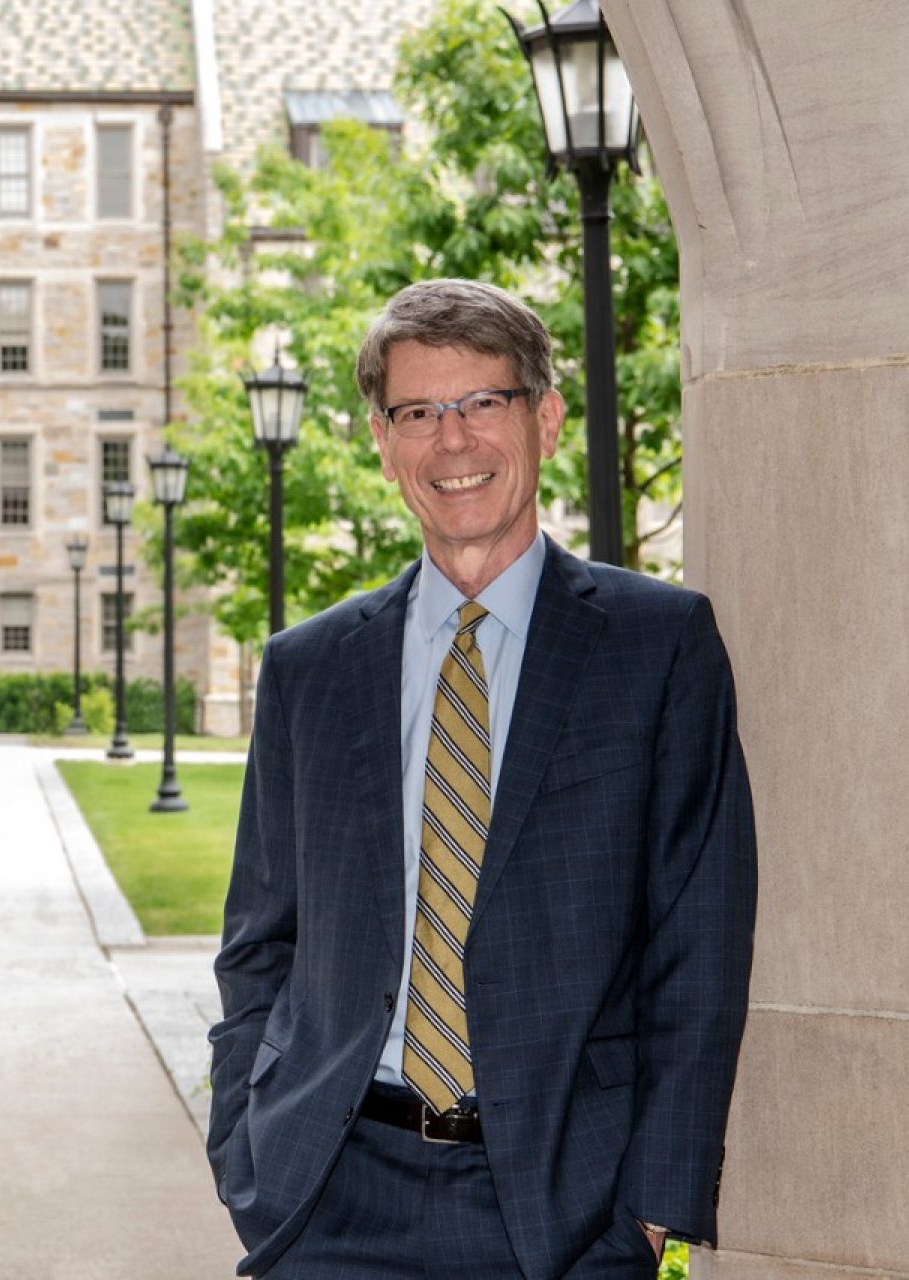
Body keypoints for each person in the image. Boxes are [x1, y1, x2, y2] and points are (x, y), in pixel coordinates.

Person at [207, 279, 757, 1279]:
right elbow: (260, 942)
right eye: (418, 411)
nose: (452, 441)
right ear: (384, 439)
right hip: (330, 1195)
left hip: (564, 1208)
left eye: (482, 403)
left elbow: (700, 942)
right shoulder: (309, 668)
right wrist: (246, 1153)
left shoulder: (658, 645)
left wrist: (652, 1206)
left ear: (544, 417)